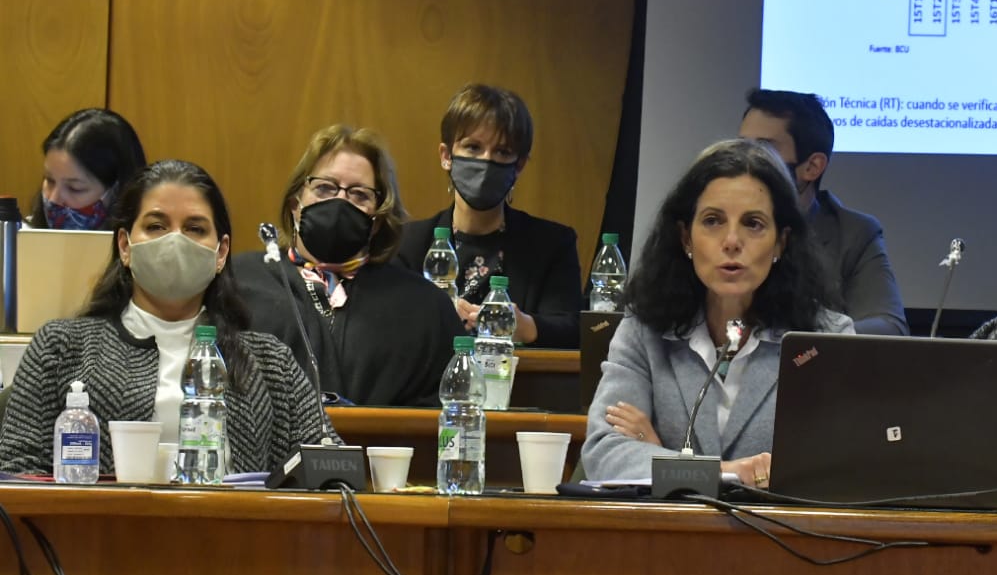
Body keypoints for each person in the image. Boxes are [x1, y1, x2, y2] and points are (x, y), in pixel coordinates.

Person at [0, 160, 328, 476]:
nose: (175, 240)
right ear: (125, 246)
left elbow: (327, 467)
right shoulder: (60, 348)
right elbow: (15, 470)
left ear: (221, 252)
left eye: (195, 228)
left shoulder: (270, 362)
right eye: (156, 226)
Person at [581, 139, 852, 485]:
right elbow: (604, 453)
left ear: (781, 243)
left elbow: (837, 464)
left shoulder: (826, 337)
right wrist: (722, 473)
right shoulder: (644, 329)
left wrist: (665, 458)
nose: (731, 241)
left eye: (753, 223)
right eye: (713, 221)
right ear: (686, 239)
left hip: (783, 535)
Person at [233, 126, 460, 406]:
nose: (340, 201)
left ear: (376, 221)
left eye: (359, 195)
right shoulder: (239, 283)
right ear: (295, 205)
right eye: (324, 188)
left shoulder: (427, 308)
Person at [396, 84, 581, 348]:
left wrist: (525, 326)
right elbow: (386, 330)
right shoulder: (408, 244)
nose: (486, 161)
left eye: (502, 152)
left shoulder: (552, 244)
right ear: (446, 156)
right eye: (473, 147)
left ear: (518, 166)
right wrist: (433, 318)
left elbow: (576, 329)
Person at [737, 89, 907, 336]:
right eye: (741, 146)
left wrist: (792, 339)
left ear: (812, 166)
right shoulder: (710, 227)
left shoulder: (853, 233)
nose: (744, 160)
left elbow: (889, 328)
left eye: (764, 149)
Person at [27, 108, 147, 230]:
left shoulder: (143, 246)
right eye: (50, 181)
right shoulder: (19, 240)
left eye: (75, 188)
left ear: (117, 191)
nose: (53, 199)